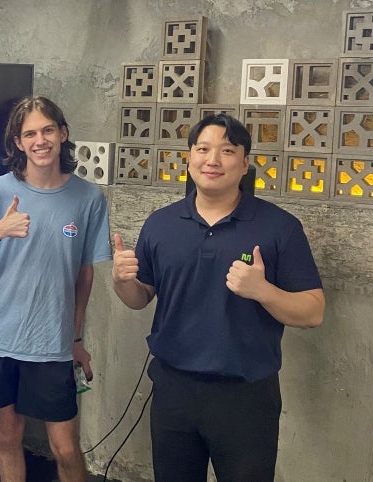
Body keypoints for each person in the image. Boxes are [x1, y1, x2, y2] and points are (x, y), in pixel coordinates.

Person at [111, 113, 325, 482]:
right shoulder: (161, 223)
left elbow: (313, 311)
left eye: (227, 151)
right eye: (203, 149)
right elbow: (140, 297)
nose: (213, 160)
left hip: (245, 398)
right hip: (173, 391)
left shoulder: (279, 227)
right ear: (189, 157)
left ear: (244, 163)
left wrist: (264, 291)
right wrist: (121, 281)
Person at [0, 95, 112, 482]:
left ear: (63, 134)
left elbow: (84, 273)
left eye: (48, 130)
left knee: (65, 447)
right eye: (30, 133)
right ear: (18, 142)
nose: (40, 140)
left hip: (51, 344)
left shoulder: (88, 198)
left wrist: (76, 336)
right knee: (8, 435)